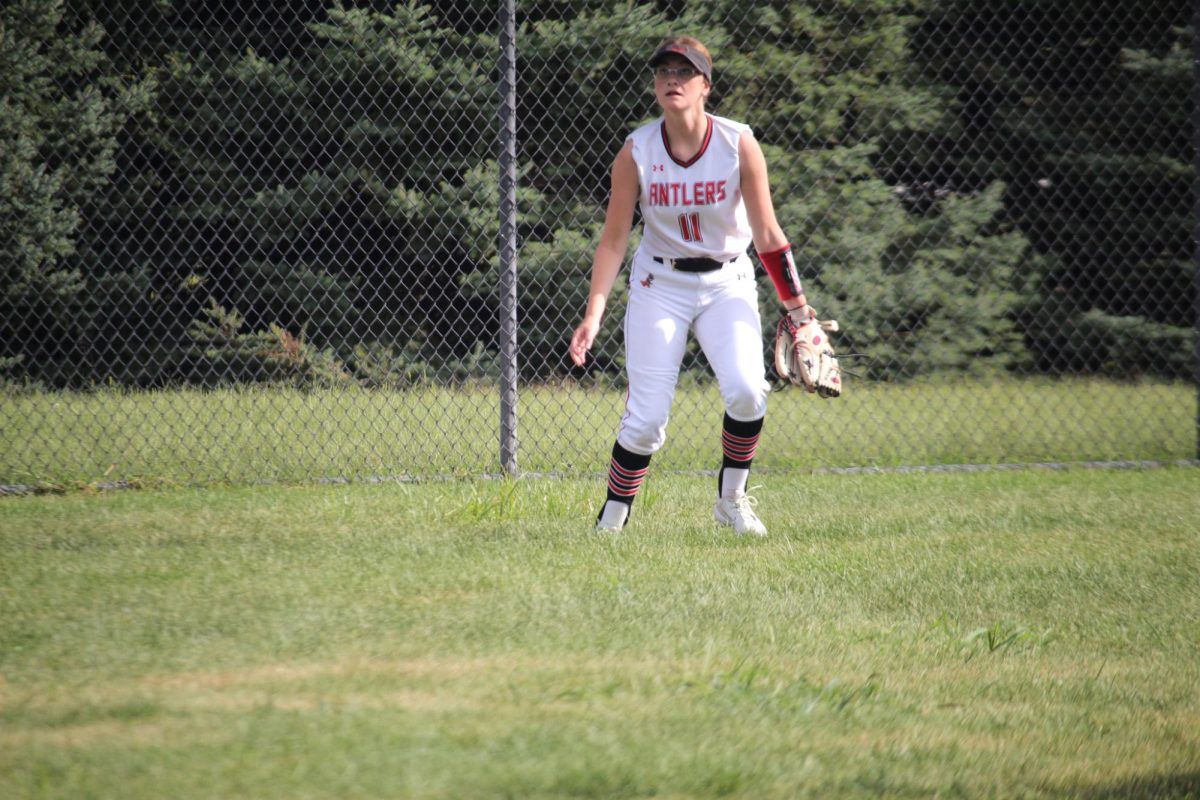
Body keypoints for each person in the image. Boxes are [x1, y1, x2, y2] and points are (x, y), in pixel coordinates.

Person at [569, 35, 817, 536]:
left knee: (749, 391)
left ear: (706, 85)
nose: (672, 80)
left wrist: (799, 310)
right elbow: (614, 242)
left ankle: (731, 501)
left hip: (727, 280)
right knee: (645, 421)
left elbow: (768, 235)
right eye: (664, 72)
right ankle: (611, 522)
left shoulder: (736, 143)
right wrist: (593, 313)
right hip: (659, 282)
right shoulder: (637, 151)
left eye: (684, 73)